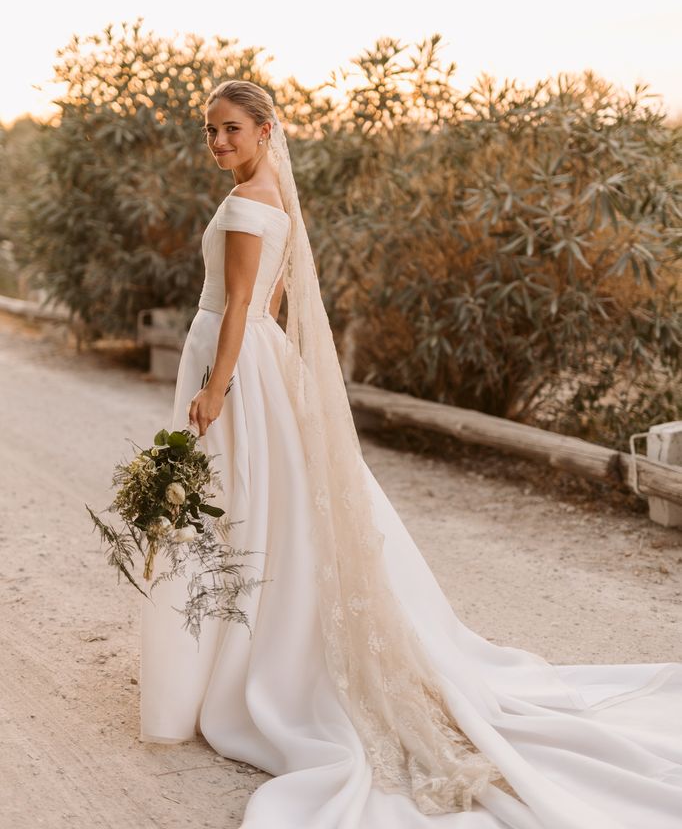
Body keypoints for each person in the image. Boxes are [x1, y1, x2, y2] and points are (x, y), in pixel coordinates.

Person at [139, 79, 682, 829]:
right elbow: (268, 305)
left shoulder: (245, 204)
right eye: (210, 131)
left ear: (266, 130)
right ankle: (237, 654)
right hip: (258, 363)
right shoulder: (275, 196)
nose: (218, 142)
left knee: (242, 508)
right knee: (261, 509)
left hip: (235, 366)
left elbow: (238, 306)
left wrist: (216, 386)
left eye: (231, 129)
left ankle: (238, 668)